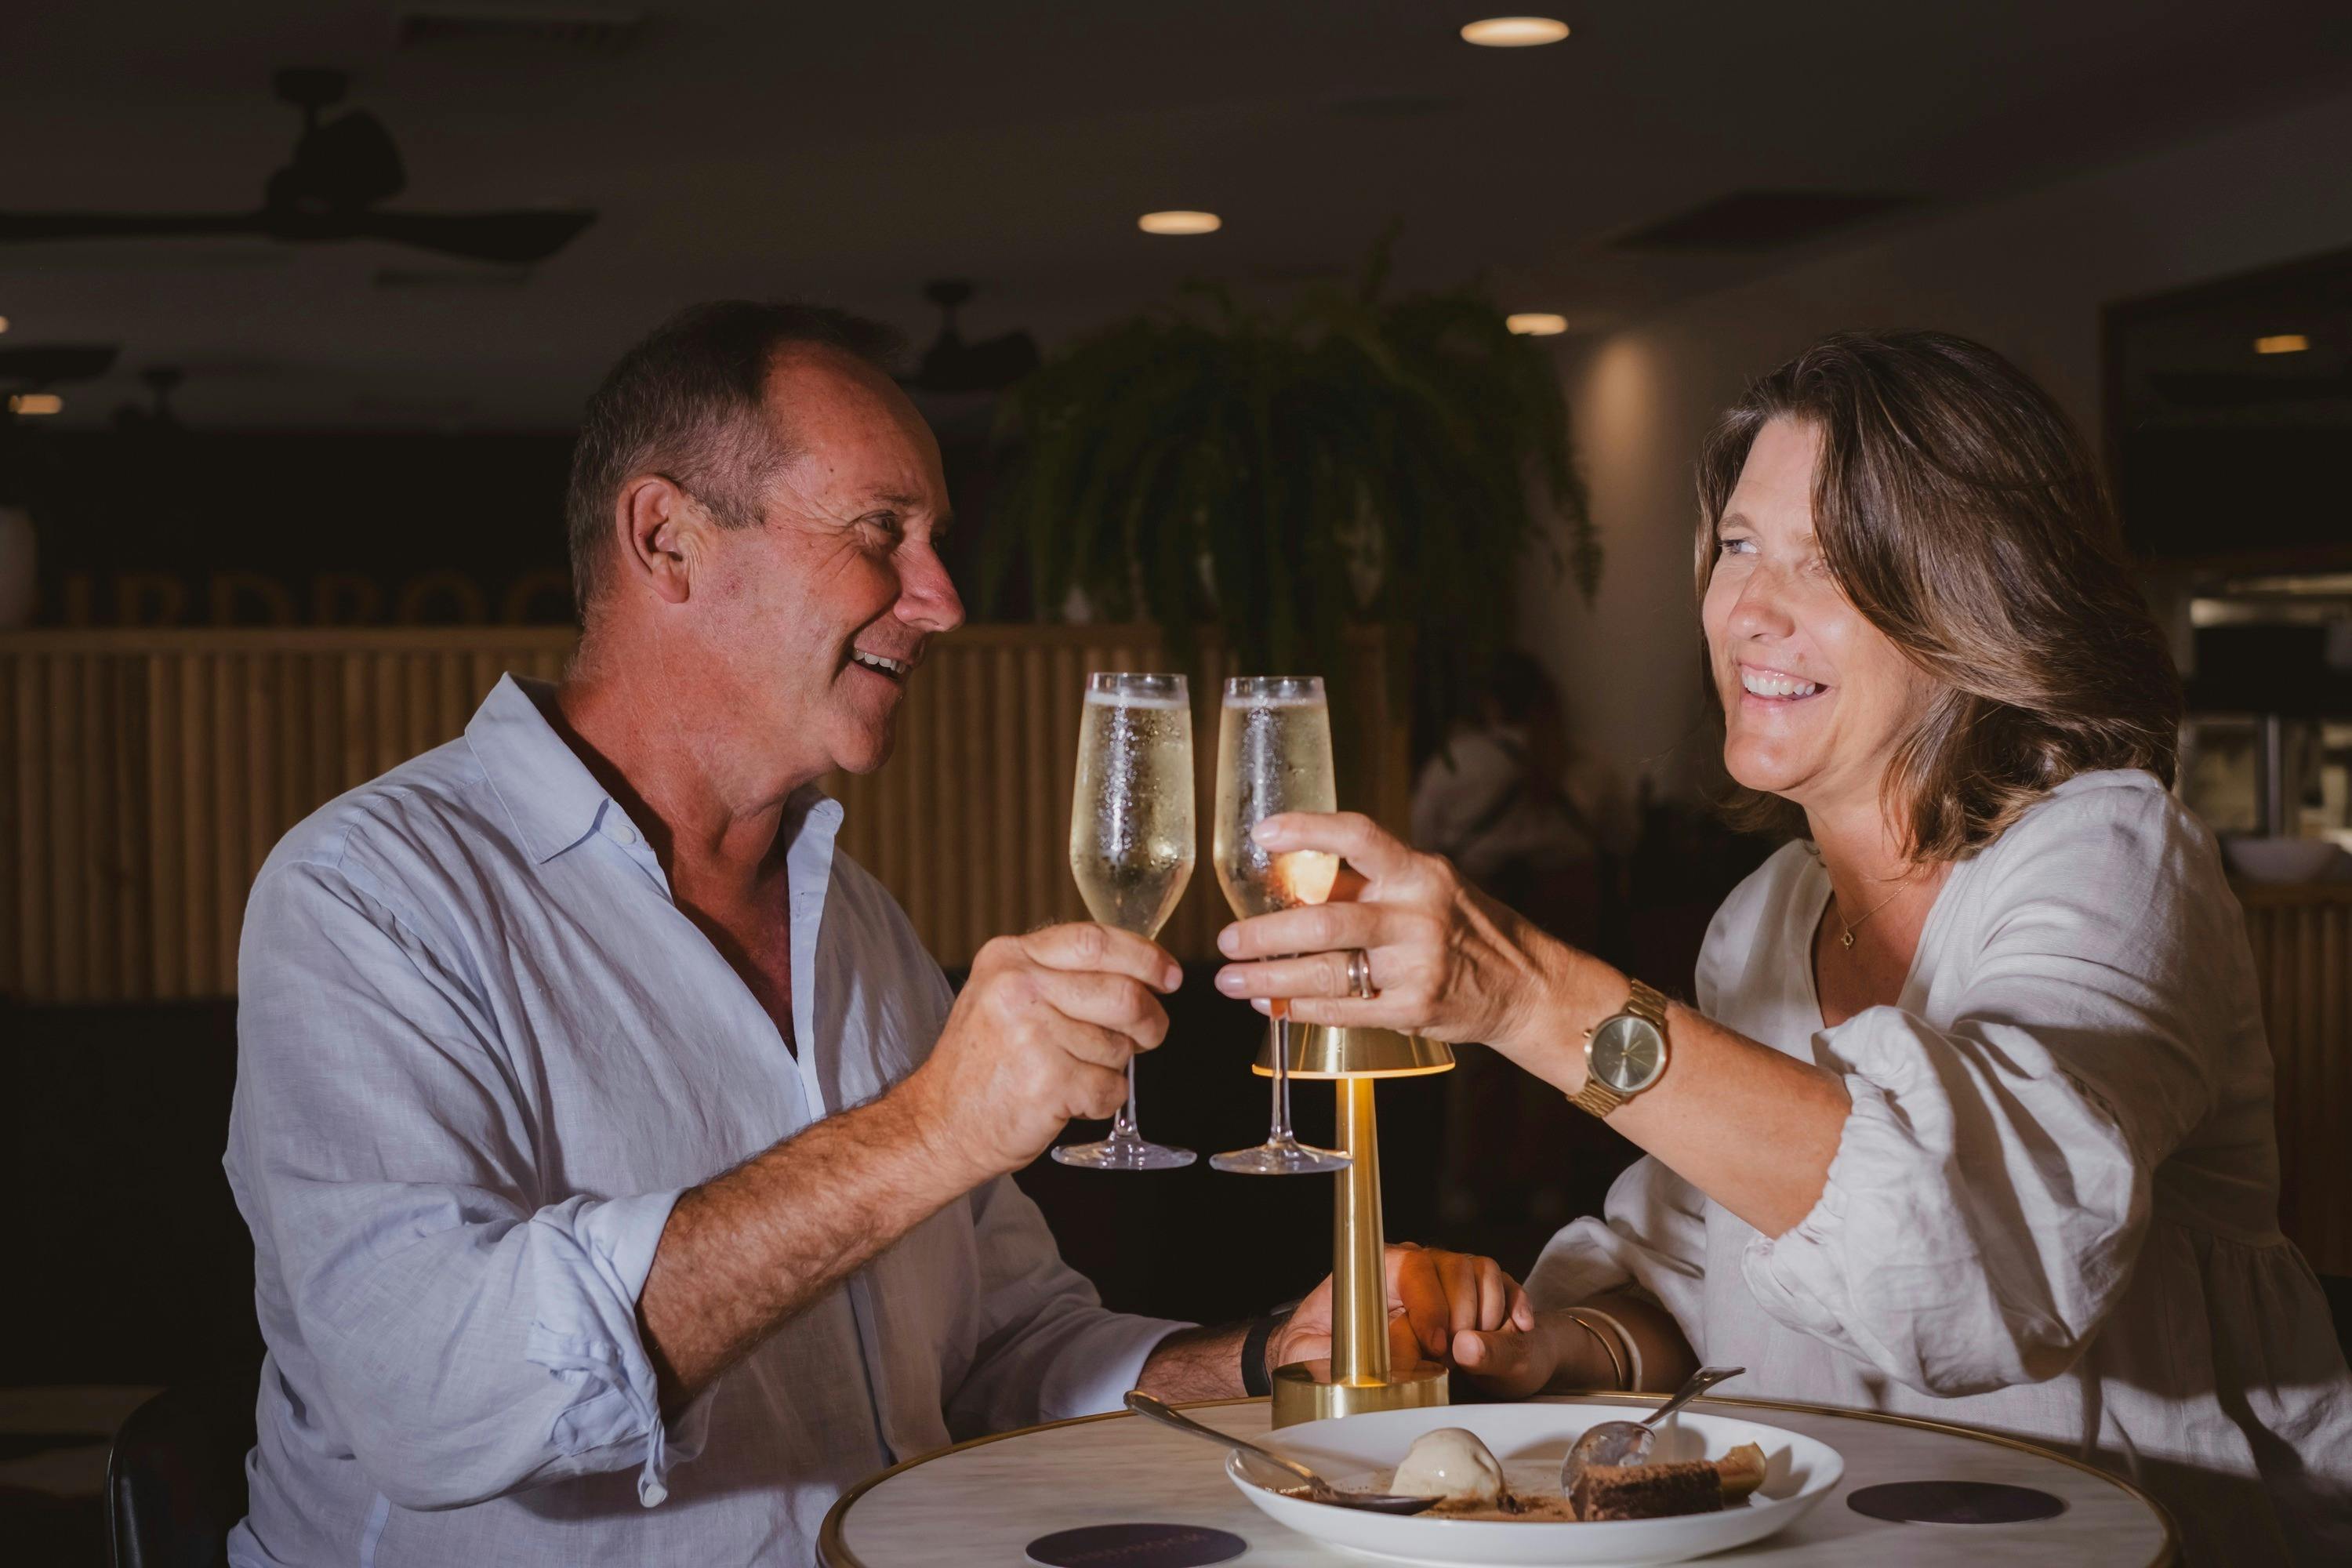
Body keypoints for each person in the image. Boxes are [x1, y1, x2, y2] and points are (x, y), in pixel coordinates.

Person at [223, 302, 1531, 1568]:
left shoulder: (855, 918)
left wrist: (1262, 1360)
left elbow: (996, 1352)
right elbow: (430, 1392)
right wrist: (928, 1133)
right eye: (881, 532)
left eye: (936, 539)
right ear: (668, 541)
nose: (944, 597)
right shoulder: (370, 897)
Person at [1211, 331, 2352, 1563]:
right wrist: (1549, 1343)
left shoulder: (2113, 852)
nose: (1751, 611)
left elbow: (1986, 1271)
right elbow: (1705, 1282)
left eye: (1830, 566)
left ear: (1981, 601)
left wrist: (1531, 999)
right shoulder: (1763, 917)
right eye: (1740, 547)